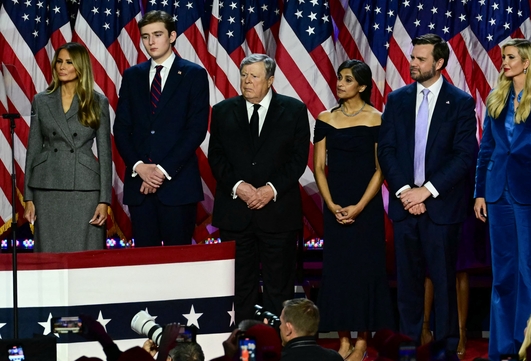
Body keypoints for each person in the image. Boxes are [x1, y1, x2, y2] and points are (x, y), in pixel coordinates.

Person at [378, 33, 478, 351]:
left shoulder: (460, 102)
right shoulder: (397, 100)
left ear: (439, 63)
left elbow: (465, 155)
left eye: (420, 59)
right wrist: (407, 190)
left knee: (445, 281)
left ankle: (446, 347)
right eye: (412, 57)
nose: (413, 64)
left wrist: (427, 192)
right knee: (407, 284)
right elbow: (388, 150)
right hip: (405, 206)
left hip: (441, 208)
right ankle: (408, 346)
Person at [473, 38, 531, 360]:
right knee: (504, 272)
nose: (504, 63)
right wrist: (479, 191)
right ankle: (503, 348)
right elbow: (486, 151)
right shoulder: (496, 100)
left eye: (510, 57)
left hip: (530, 195)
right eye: (503, 58)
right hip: (497, 195)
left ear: (526, 62)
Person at [208, 54, 310, 323]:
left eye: (254, 76)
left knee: (279, 285)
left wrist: (270, 190)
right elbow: (216, 157)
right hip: (235, 213)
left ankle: (278, 342)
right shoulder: (222, 111)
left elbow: (298, 160)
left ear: (271, 80)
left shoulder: (295, 110)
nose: (247, 81)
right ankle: (245, 340)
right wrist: (239, 186)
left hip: (277, 213)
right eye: (243, 75)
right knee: (241, 284)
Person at [313, 59, 393, 361]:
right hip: (334, 207)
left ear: (361, 86)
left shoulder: (376, 119)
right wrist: (331, 204)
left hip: (366, 208)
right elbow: (319, 167)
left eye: (347, 80)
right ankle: (343, 340)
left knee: (365, 271)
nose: (340, 84)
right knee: (338, 272)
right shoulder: (325, 118)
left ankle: (362, 341)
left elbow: (379, 169)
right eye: (339, 78)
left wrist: (359, 206)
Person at [113, 10, 209, 247]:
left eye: (157, 35)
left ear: (172, 36)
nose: (151, 42)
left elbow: (195, 130)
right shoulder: (132, 75)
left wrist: (160, 172)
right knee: (145, 264)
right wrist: (139, 167)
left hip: (177, 186)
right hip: (140, 188)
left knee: (178, 263)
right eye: (145, 36)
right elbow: (122, 128)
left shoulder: (193, 74)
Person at [23, 42, 112, 252]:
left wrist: (104, 200)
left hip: (84, 188)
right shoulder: (41, 100)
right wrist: (28, 197)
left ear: (80, 66)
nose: (62, 67)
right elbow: (33, 150)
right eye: (59, 62)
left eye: (69, 62)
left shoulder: (97, 102)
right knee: (49, 254)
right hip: (47, 187)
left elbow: (106, 155)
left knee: (86, 254)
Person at [278, 298, 343, 361]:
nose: (279, 327)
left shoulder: (280, 359)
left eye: (281, 322)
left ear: (288, 328)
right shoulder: (334, 358)